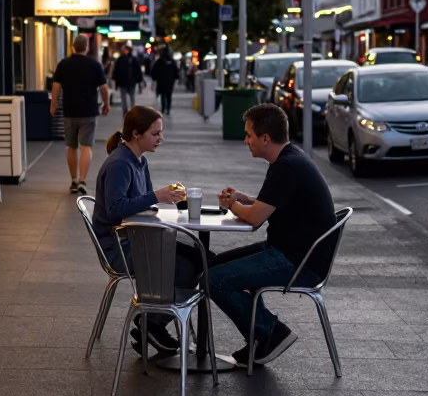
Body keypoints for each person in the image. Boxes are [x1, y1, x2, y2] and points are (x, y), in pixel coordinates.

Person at [210, 102, 336, 367]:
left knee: (214, 279)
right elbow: (269, 204)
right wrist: (244, 199)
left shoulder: (285, 167)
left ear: (265, 138)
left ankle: (272, 333)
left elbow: (255, 218)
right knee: (211, 265)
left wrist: (232, 204)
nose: (246, 141)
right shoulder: (291, 157)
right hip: (293, 253)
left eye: (249, 135)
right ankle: (260, 337)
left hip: (300, 264)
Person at [92, 105, 197, 355]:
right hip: (120, 249)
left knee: (198, 257)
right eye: (155, 133)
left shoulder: (139, 160)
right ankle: (153, 324)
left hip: (138, 239)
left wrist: (161, 198)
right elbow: (115, 209)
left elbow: (143, 202)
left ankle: (152, 324)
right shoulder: (120, 164)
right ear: (136, 134)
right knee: (190, 265)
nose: (161, 138)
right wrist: (156, 196)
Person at [51, 35, 109, 193]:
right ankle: (82, 179)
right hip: (89, 112)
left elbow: (56, 86)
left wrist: (53, 105)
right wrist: (106, 104)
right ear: (87, 48)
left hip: (69, 111)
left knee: (71, 146)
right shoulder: (95, 65)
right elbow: (104, 88)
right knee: (86, 146)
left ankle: (73, 181)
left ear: (73, 47)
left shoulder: (64, 64)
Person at [112, 43, 143, 114]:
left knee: (124, 98)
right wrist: (138, 80)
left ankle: (126, 111)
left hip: (123, 82)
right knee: (131, 97)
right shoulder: (133, 59)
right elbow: (138, 70)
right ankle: (132, 111)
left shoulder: (120, 59)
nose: (122, 51)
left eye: (124, 49)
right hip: (131, 82)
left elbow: (116, 72)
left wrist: (116, 82)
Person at [150, 47, 180, 115]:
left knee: (163, 95)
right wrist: (176, 77)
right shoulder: (172, 61)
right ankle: (168, 109)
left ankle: (163, 108)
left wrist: (154, 78)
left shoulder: (159, 61)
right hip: (170, 81)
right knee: (169, 95)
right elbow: (176, 71)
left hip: (161, 81)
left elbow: (154, 70)